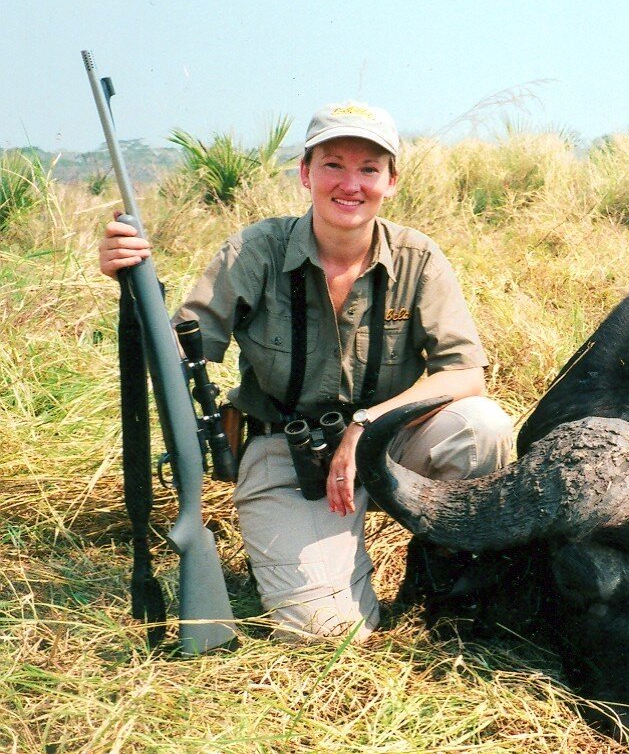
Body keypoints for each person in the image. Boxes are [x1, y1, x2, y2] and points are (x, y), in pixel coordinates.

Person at [98, 101, 514, 642]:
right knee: (327, 635)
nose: (351, 184)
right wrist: (131, 285)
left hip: (387, 440)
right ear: (305, 174)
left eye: (369, 169)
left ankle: (443, 578)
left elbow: (465, 374)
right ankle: (310, 561)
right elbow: (178, 360)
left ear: (390, 181)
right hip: (286, 450)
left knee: (482, 427)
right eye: (333, 165)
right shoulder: (254, 250)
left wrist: (366, 423)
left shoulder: (420, 258)